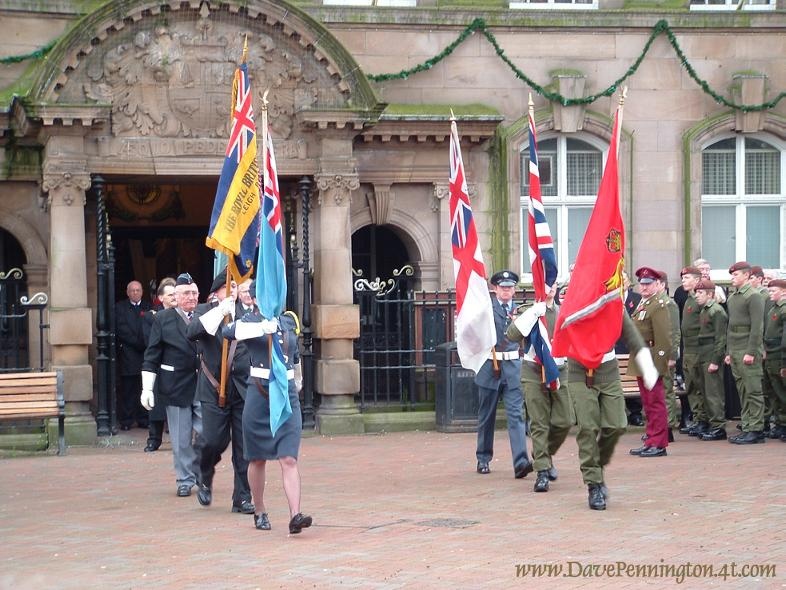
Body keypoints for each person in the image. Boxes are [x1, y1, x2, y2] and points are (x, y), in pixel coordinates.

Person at [224, 308, 312, 533]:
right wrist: (261, 328)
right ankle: (260, 510)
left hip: (286, 393)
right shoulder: (249, 320)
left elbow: (294, 355)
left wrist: (298, 380)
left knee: (289, 458)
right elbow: (229, 331)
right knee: (257, 458)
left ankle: (295, 515)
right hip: (260, 394)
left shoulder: (288, 319)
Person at [566, 309, 656, 510]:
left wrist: (646, 364)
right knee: (588, 427)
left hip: (607, 370)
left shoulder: (612, 304)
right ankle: (594, 483)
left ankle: (596, 464)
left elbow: (631, 334)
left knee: (616, 425)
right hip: (580, 370)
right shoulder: (576, 300)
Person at [187, 269, 254, 515]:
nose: (233, 291)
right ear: (216, 292)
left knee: (244, 447)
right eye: (228, 287)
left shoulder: (248, 315)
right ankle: (204, 473)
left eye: (236, 287)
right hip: (214, 388)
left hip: (242, 389)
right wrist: (219, 311)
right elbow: (192, 332)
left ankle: (242, 498)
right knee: (215, 440)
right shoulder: (206, 312)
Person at [506, 284, 572, 493]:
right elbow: (512, 334)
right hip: (534, 370)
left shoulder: (565, 310)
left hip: (560, 369)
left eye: (552, 283)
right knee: (539, 422)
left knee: (565, 420)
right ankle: (542, 471)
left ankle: (542, 455)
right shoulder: (529, 310)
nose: (549, 288)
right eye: (545, 282)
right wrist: (534, 312)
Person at [141, 272, 203, 496]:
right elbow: (152, 354)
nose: (191, 297)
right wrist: (147, 387)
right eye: (186, 293)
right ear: (175, 296)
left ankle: (201, 472)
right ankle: (185, 479)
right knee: (180, 438)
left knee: (208, 433)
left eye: (195, 293)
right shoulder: (163, 319)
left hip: (203, 384)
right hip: (176, 385)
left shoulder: (205, 314)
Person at [474, 270, 533, 479]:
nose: (506, 290)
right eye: (502, 287)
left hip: (513, 366)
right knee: (486, 415)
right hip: (490, 365)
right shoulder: (485, 310)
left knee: (516, 415)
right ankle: (483, 457)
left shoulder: (522, 310)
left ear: (514, 289)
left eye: (510, 287)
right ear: (495, 289)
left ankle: (520, 461)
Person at [628, 267, 673, 457]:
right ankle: (650, 439)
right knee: (648, 403)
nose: (644, 287)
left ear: (657, 284)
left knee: (656, 402)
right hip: (642, 357)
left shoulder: (659, 304)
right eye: (642, 284)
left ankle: (659, 442)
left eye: (648, 284)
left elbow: (664, 338)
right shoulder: (644, 303)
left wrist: (658, 365)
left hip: (652, 359)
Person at [725, 261, 766, 444]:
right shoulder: (734, 297)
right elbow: (730, 327)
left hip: (748, 349)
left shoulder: (754, 296)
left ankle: (756, 429)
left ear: (746, 276)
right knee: (742, 390)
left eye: (736, 275)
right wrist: (728, 351)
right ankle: (748, 425)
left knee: (753, 391)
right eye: (732, 275)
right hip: (735, 350)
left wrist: (751, 351)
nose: (733, 278)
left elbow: (757, 327)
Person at [141, 278, 176, 452]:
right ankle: (154, 439)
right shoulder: (151, 316)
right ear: (161, 298)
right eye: (170, 295)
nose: (174, 297)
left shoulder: (183, 315)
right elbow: (149, 341)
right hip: (159, 365)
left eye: (175, 294)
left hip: (177, 366)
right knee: (156, 407)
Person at [694, 279, 728, 440]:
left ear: (710, 294)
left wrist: (715, 360)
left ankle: (718, 426)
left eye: (700, 293)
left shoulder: (717, 311)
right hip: (703, 353)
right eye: (696, 293)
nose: (697, 296)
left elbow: (721, 338)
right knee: (706, 391)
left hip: (711, 354)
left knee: (714, 392)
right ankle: (711, 422)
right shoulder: (704, 310)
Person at [115, 280, 152, 430]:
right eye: (133, 290)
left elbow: (151, 326)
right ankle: (127, 420)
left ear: (142, 292)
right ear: (127, 292)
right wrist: (137, 342)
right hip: (128, 355)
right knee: (128, 390)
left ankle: (144, 419)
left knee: (144, 388)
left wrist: (144, 342)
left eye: (138, 290)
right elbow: (121, 328)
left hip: (145, 354)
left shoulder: (148, 307)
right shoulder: (120, 308)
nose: (135, 293)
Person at [677, 266, 708, 437]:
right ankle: (697, 419)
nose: (683, 280)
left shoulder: (699, 299)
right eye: (682, 278)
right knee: (691, 386)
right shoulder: (689, 299)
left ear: (697, 280)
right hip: (687, 348)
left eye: (687, 278)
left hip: (697, 348)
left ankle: (704, 420)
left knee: (700, 385)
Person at [616, 270, 644, 426]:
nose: (622, 281)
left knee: (632, 378)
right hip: (614, 346)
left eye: (624, 278)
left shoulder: (637, 299)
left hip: (630, 346)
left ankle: (635, 413)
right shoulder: (609, 299)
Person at [763, 278, 786, 441]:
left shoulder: (784, 310)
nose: (770, 293)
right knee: (774, 392)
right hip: (770, 354)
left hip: (779, 355)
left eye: (773, 291)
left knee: (782, 392)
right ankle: (780, 422)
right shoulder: (773, 309)